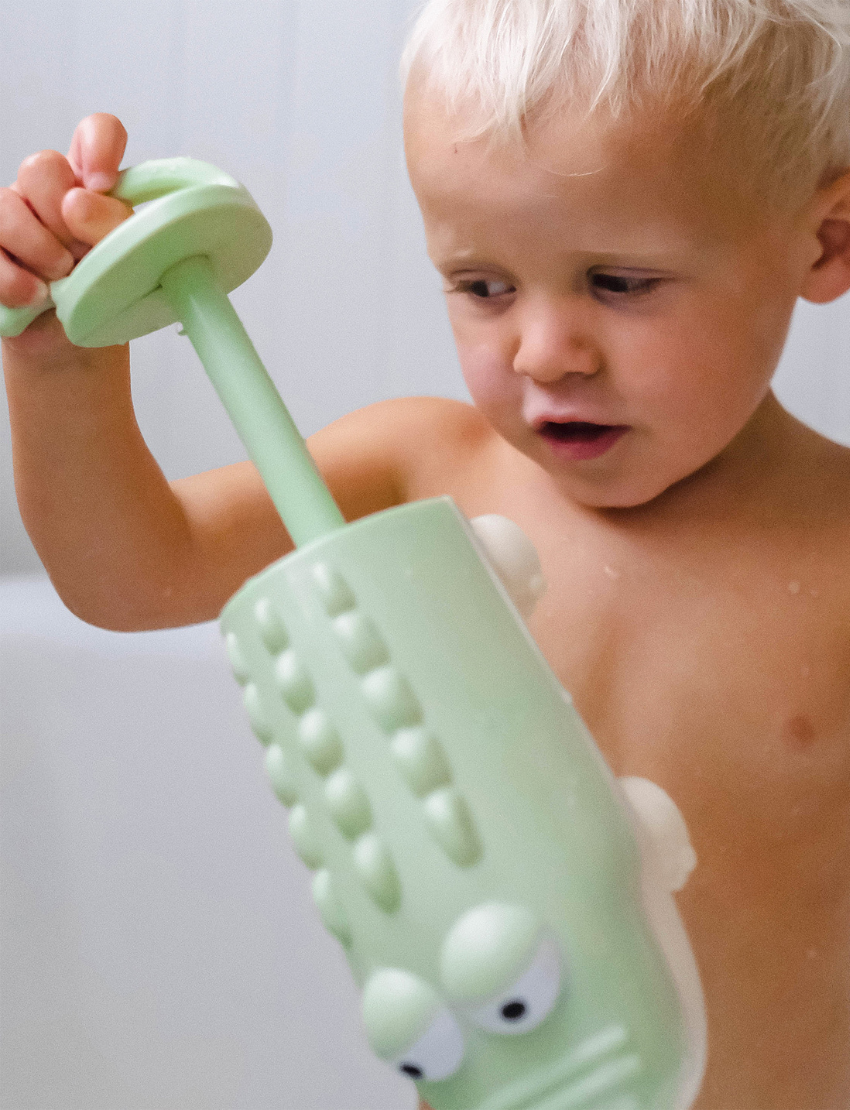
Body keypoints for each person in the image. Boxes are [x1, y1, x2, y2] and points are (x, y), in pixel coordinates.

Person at [2, 0, 849, 1105]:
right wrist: (59, 371)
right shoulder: (418, 474)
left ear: (823, 242)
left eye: (620, 283)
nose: (546, 352)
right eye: (482, 285)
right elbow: (130, 575)